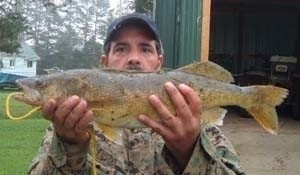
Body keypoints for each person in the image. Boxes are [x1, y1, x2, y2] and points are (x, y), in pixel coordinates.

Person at [28, 13, 245, 175]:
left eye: (146, 49)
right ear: (104, 62)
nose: (133, 58)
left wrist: (189, 149)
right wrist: (69, 145)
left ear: (160, 62)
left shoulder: (194, 124)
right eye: (121, 49)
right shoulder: (72, 126)